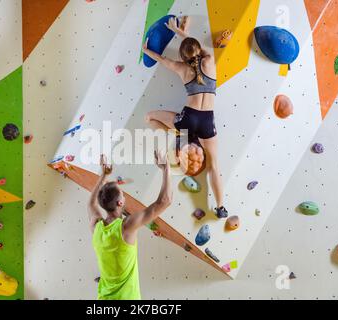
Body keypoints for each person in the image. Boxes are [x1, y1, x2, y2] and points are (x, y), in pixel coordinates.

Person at [143, 16, 228, 219]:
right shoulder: (209, 62)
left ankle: (180, 134)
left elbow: (163, 60)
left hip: (187, 119)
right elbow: (199, 48)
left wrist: (146, 50)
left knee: (149, 117)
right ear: (199, 51)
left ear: (182, 57)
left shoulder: (182, 68)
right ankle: (221, 207)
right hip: (207, 121)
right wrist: (182, 32)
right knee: (214, 166)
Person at [88, 152, 172, 300]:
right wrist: (166, 168)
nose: (124, 196)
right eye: (123, 194)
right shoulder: (125, 227)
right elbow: (165, 201)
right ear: (120, 203)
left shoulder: (96, 227)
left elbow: (91, 203)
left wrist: (103, 176)